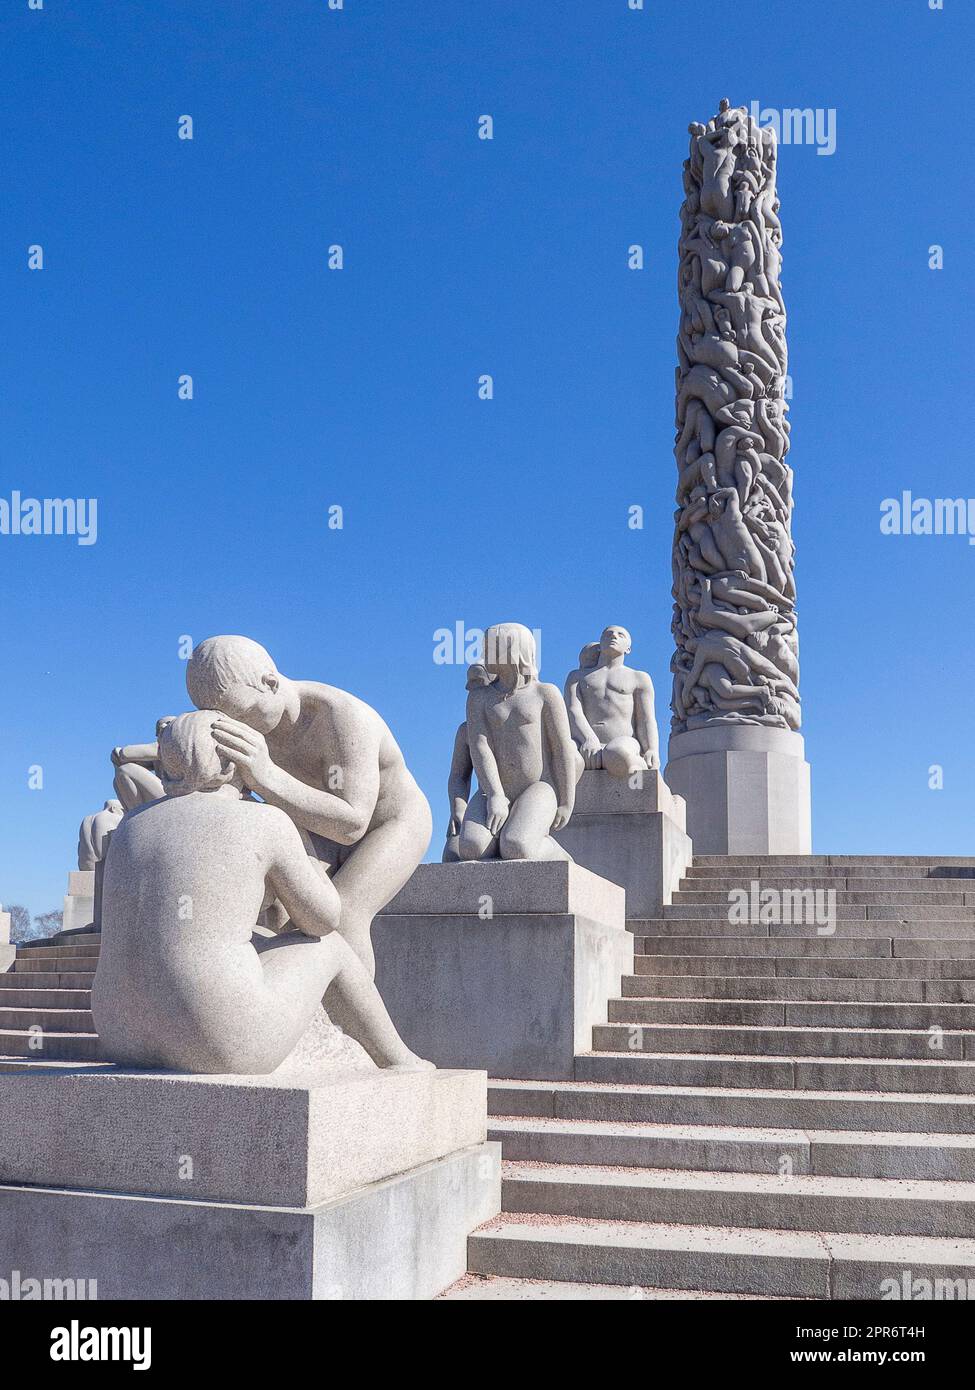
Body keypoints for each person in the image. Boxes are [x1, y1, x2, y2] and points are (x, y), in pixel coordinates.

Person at [92, 710, 431, 1075]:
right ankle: (397, 1059)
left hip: (117, 1031)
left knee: (253, 940)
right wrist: (309, 867)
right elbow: (324, 920)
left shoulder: (130, 826)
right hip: (218, 1038)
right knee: (333, 947)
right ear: (235, 765)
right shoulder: (265, 821)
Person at [185, 635, 432, 976]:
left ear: (269, 683)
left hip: (389, 824)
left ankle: (356, 1027)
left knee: (344, 915)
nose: (243, 730)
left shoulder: (343, 718)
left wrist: (266, 775)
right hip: (313, 824)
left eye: (245, 715)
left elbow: (352, 824)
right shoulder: (255, 720)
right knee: (278, 903)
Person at [457, 623, 577, 862]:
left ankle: (560, 857)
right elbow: (481, 747)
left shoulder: (545, 693)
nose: (484, 652)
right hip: (492, 790)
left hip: (538, 788)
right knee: (471, 848)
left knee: (516, 847)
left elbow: (562, 749)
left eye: (490, 646)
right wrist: (494, 795)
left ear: (513, 648)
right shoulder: (478, 698)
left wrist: (566, 800)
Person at [565, 625, 660, 778]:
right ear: (600, 642)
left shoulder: (639, 677)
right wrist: (588, 739)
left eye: (620, 635)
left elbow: (646, 719)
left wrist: (651, 749)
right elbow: (573, 711)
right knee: (562, 755)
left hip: (624, 743)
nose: (613, 636)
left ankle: (639, 765)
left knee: (617, 754)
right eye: (608, 634)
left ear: (628, 649)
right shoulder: (577, 677)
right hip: (584, 743)